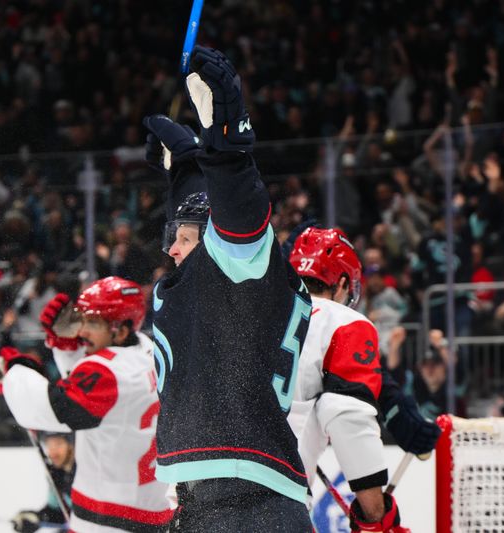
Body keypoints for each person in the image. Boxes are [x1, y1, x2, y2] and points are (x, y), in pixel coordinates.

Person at [143, 46, 313, 531]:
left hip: (250, 501)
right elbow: (203, 229)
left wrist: (227, 136)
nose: (171, 250)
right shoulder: (213, 283)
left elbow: (236, 216)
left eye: (184, 239)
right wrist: (186, 171)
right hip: (214, 499)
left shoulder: (240, 264)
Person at [0, 277, 174, 532]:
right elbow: (104, 401)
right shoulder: (147, 350)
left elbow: (53, 408)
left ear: (121, 330)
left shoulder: (106, 374)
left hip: (107, 519)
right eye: (82, 320)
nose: (82, 331)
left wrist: (13, 371)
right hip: (151, 513)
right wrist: (66, 347)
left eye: (92, 323)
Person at [287, 227, 415, 532]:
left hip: (200, 483)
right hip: (276, 493)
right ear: (343, 283)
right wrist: (375, 516)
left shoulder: (252, 315)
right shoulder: (343, 320)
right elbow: (345, 413)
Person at [11, 432, 75, 533]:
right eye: (49, 445)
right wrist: (37, 518)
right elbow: (58, 512)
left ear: (72, 445)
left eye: (58, 444)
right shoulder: (57, 474)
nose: (52, 452)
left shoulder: (87, 473)